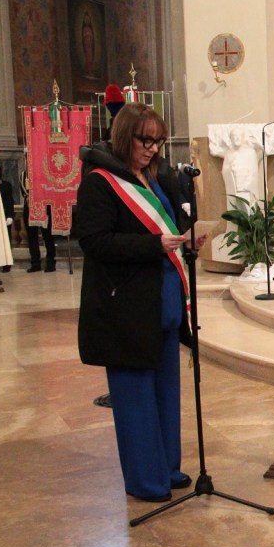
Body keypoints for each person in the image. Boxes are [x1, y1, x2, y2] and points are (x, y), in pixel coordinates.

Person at [74, 102, 206, 502]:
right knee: (135, 398)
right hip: (126, 308)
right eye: (144, 140)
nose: (152, 149)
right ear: (124, 135)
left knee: (166, 391)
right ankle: (146, 480)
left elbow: (166, 228)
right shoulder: (99, 182)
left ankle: (167, 468)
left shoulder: (152, 178)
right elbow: (94, 242)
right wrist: (154, 245)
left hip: (163, 303)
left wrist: (184, 242)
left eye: (158, 141)